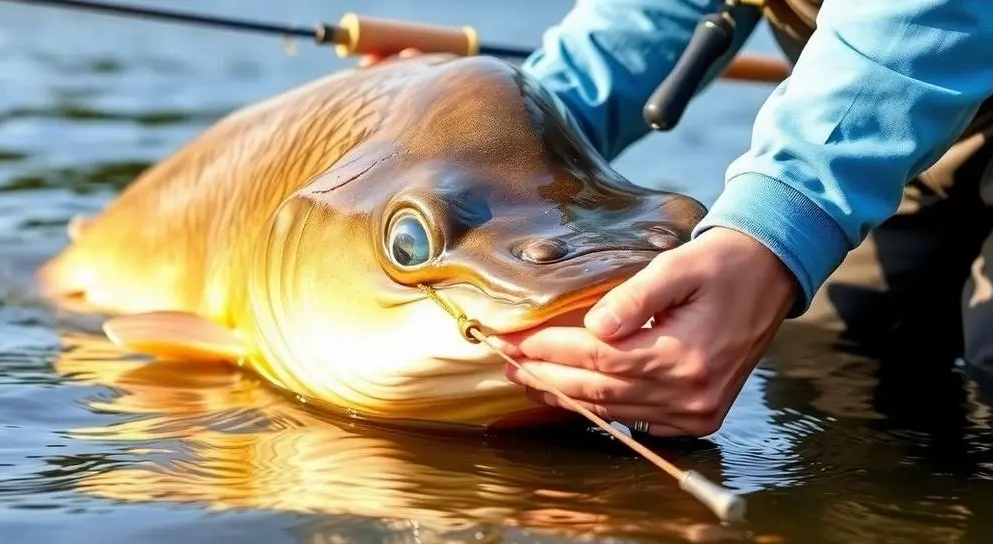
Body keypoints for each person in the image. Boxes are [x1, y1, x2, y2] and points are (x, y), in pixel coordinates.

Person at [362, 0, 993, 438]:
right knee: (827, 368)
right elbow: (644, 24)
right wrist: (484, 128)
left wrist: (774, 227)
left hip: (895, 88)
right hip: (904, 126)